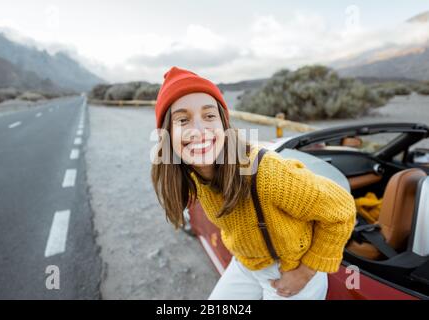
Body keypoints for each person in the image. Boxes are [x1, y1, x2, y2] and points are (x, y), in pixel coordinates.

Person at [151, 66, 356, 300]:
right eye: (183, 120)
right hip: (247, 264)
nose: (198, 131)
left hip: (290, 269)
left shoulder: (266, 173)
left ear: (224, 125)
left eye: (209, 116)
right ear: (166, 134)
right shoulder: (191, 173)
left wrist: (306, 271)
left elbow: (342, 209)